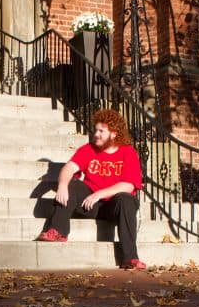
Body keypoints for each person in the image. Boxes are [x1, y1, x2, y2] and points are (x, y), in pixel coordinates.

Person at [37, 108, 146, 270]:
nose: (96, 134)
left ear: (114, 133)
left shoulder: (128, 153)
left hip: (114, 207)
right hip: (90, 205)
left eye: (101, 131)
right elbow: (68, 168)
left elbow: (129, 184)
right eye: (96, 130)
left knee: (127, 198)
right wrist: (61, 185)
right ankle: (57, 230)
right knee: (72, 184)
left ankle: (130, 258)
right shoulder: (88, 149)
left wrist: (99, 194)